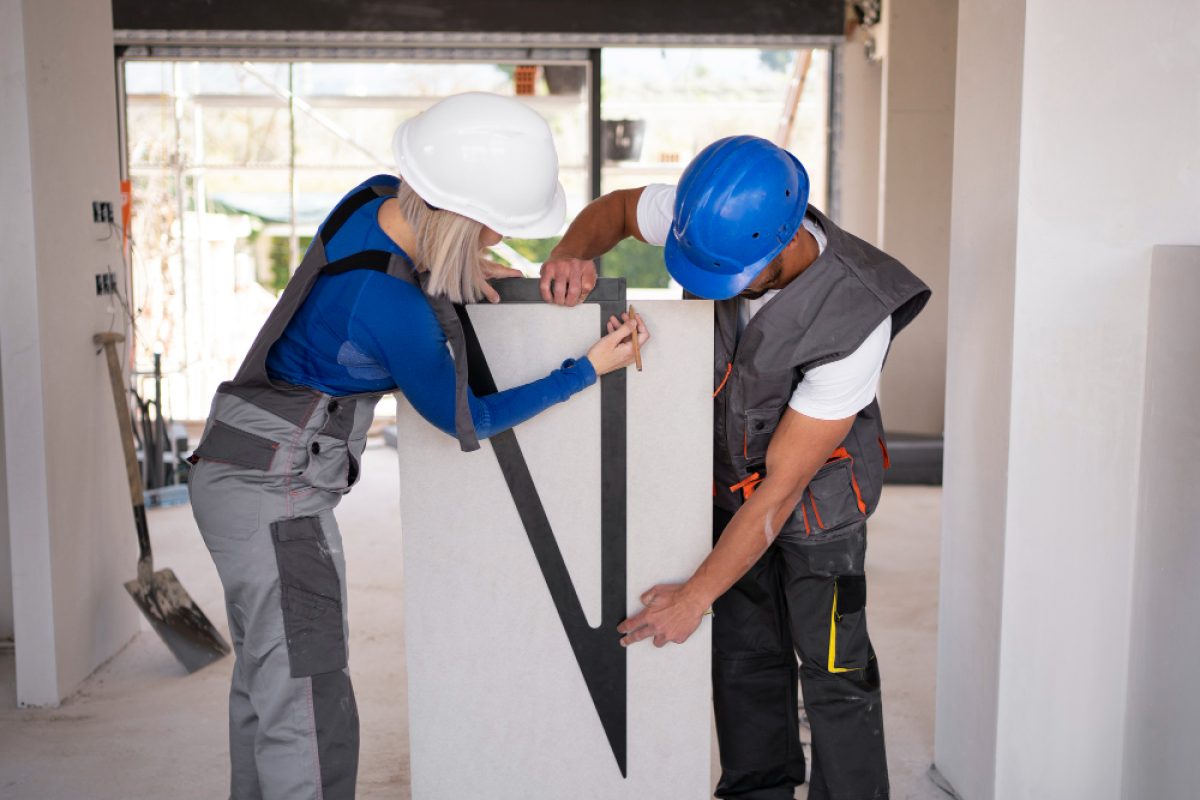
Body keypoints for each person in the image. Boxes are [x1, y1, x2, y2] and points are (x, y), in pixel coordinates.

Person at [187, 92, 648, 800]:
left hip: (237, 462)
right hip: (277, 496)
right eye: (492, 232)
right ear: (460, 217)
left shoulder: (372, 200)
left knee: (269, 684)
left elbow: (404, 266)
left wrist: (458, 269)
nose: (498, 243)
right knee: (310, 703)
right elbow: (468, 420)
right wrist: (586, 370)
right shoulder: (390, 308)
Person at [539, 135, 930, 800]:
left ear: (783, 245)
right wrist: (571, 251)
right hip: (727, 482)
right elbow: (615, 210)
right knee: (745, 658)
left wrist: (695, 595)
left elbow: (782, 489)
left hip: (819, 504)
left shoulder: (857, 315)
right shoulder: (713, 219)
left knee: (835, 669)